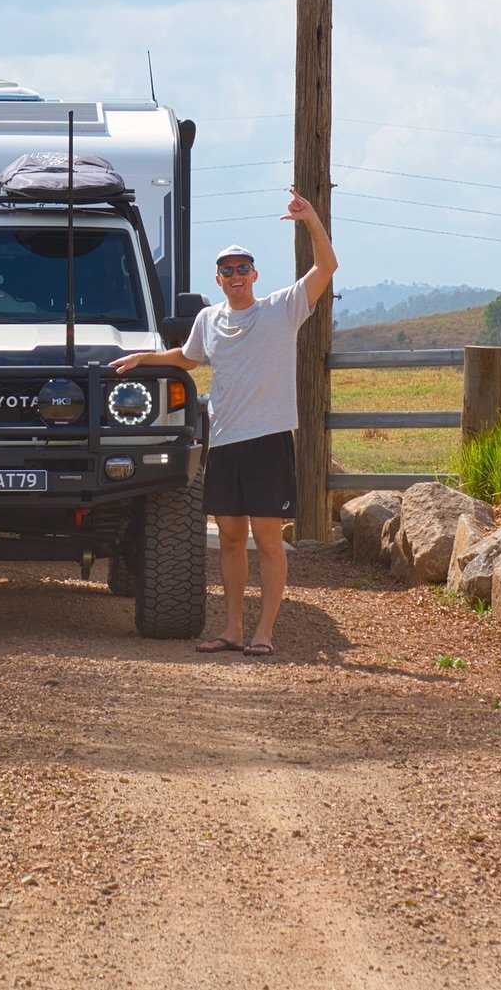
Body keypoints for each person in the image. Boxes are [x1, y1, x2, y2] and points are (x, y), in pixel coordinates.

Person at [112, 188, 336, 657]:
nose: (236, 276)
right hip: (226, 442)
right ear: (218, 279)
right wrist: (145, 359)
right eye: (228, 270)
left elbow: (326, 268)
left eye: (243, 268)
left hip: (269, 440)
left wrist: (311, 219)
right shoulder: (208, 319)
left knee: (268, 540)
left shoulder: (282, 308)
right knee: (231, 539)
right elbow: (188, 359)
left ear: (255, 274)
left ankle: (264, 632)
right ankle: (233, 629)